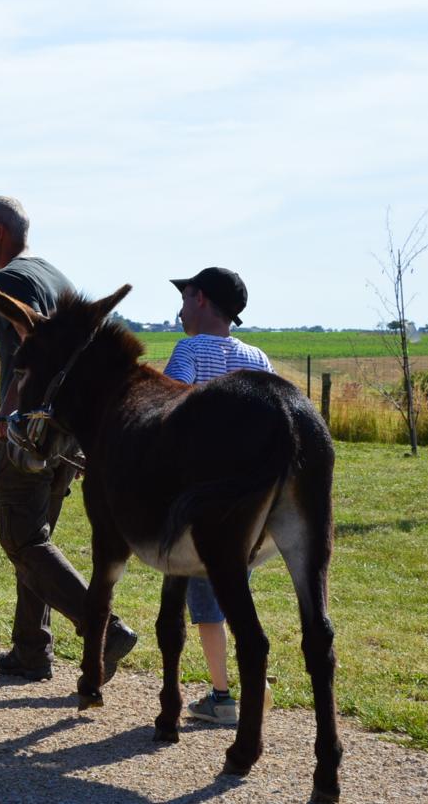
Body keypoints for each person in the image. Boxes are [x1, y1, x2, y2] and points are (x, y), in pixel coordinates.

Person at [0, 196, 138, 683]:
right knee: (36, 541)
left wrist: (10, 416)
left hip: (32, 435)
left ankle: (105, 631)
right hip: (66, 438)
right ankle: (30, 649)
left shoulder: (11, 280)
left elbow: (37, 349)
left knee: (21, 539)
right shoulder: (54, 275)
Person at [162, 266, 275, 726]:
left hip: (204, 493)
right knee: (235, 589)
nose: (181, 307)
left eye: (185, 297)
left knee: (209, 604)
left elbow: (172, 400)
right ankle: (245, 683)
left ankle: (226, 696)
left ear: (202, 299)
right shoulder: (257, 357)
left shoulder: (189, 349)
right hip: (252, 495)